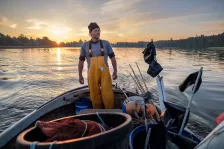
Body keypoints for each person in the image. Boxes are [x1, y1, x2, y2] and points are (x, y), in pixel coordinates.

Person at [78, 22, 117, 109]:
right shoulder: (85, 46)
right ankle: (98, 112)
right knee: (94, 94)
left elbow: (113, 58)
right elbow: (81, 61)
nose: (98, 32)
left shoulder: (106, 43)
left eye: (99, 30)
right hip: (92, 74)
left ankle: (110, 112)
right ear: (90, 33)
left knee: (108, 93)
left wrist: (115, 71)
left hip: (104, 73)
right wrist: (80, 75)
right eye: (95, 31)